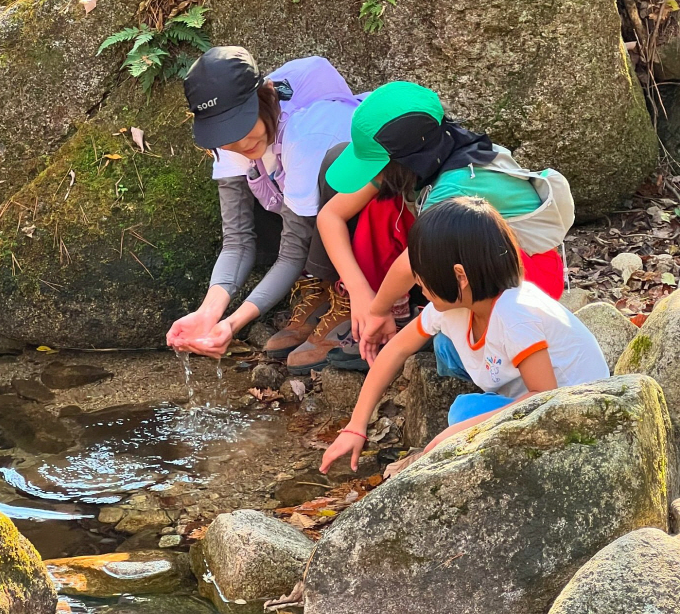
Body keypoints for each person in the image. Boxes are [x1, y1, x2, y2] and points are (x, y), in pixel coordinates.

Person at [319, 197, 609, 474]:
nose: (417, 283)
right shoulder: (452, 308)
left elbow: (544, 398)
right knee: (446, 350)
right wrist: (356, 426)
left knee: (463, 415)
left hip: (575, 412)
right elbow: (396, 350)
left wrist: (442, 442)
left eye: (422, 274)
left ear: (460, 276)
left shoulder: (515, 314)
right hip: (526, 385)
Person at [310, 81, 573, 372]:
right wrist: (361, 294)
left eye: (377, 166)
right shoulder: (430, 151)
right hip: (462, 261)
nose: (375, 175)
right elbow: (329, 216)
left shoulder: (457, 186)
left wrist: (377, 309)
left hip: (521, 276)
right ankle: (408, 318)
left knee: (448, 337)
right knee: (382, 206)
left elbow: (412, 261)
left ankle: (429, 326)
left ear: (404, 160)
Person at [166, 46, 365, 358]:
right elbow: (237, 241)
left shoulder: (305, 133)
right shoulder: (233, 145)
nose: (240, 143)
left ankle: (351, 297)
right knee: (247, 188)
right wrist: (209, 313)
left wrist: (234, 323)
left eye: (243, 126)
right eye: (226, 135)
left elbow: (292, 251)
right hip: (301, 203)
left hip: (362, 204)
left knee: (329, 177)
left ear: (267, 95)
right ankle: (320, 291)